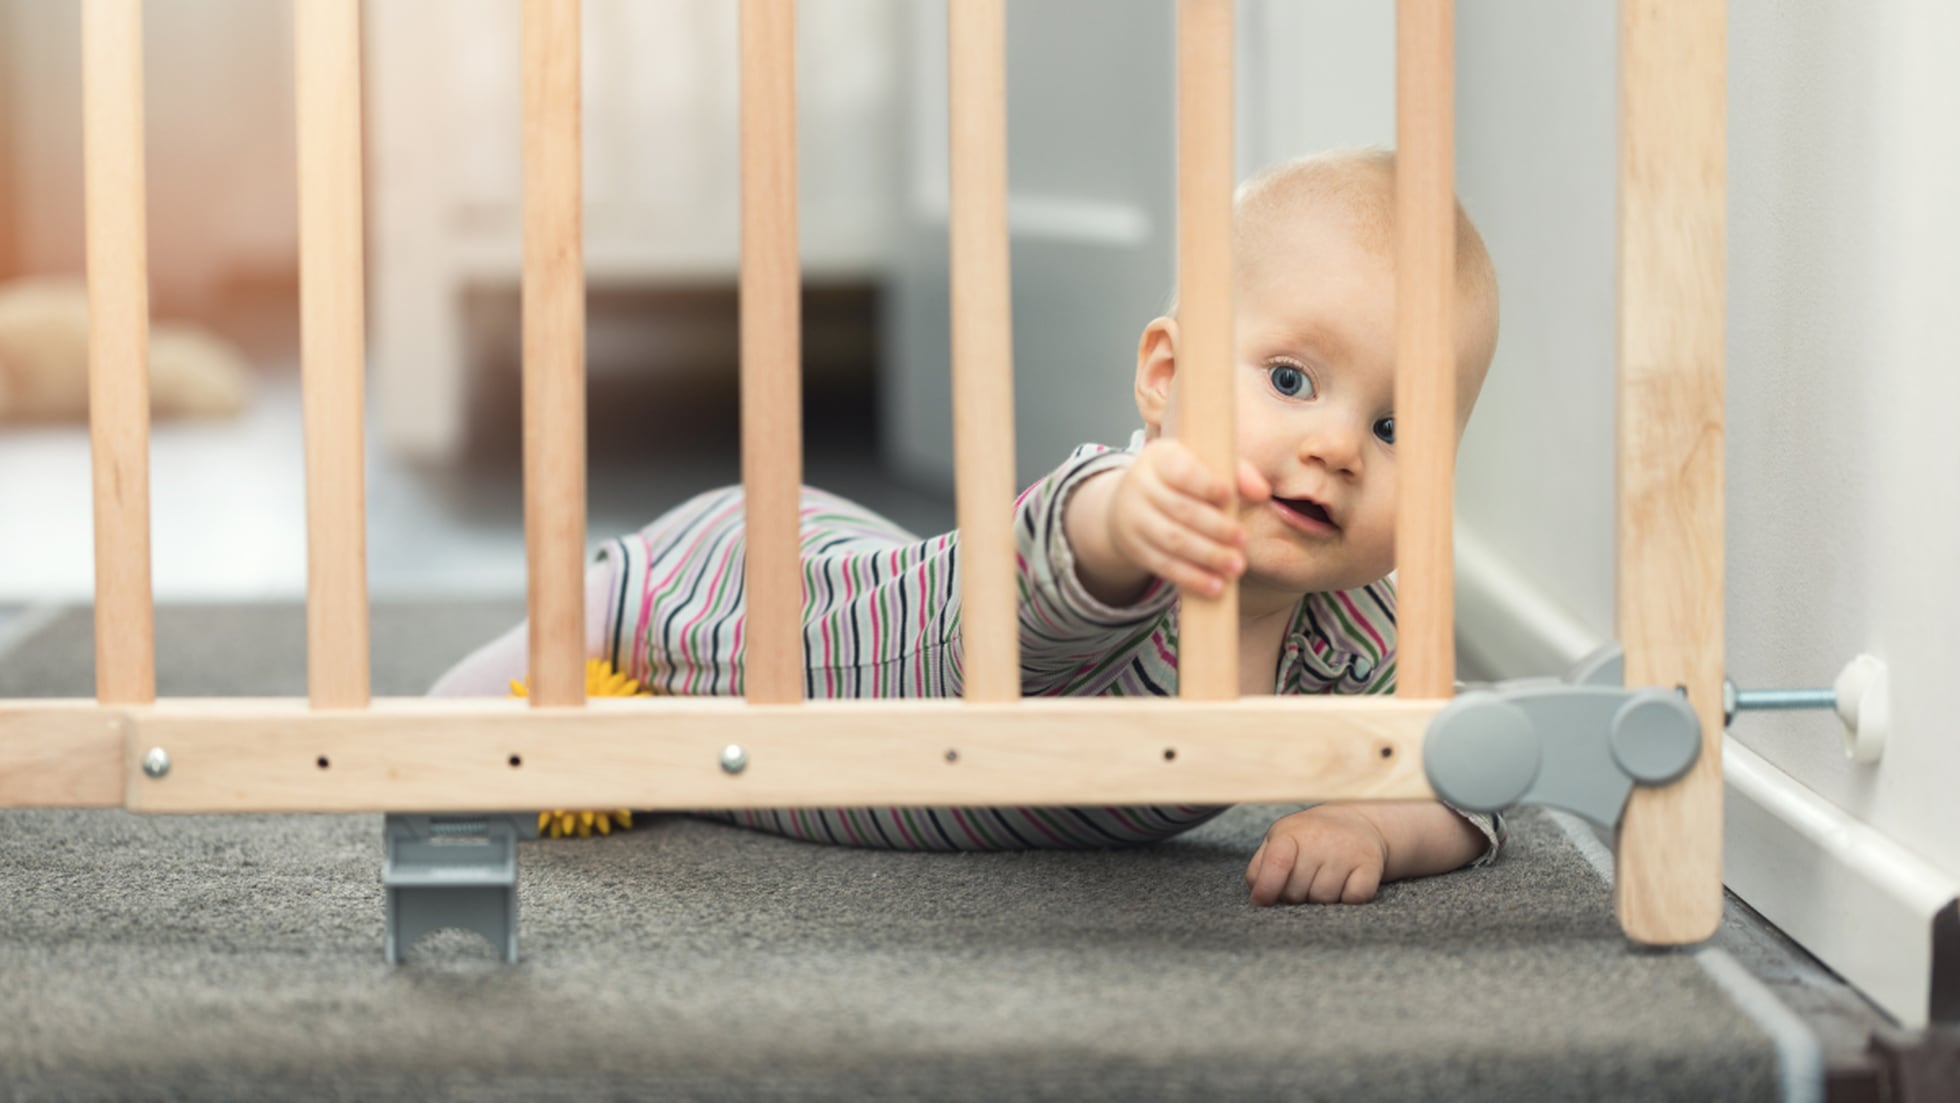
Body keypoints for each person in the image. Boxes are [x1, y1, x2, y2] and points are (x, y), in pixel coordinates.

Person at [431, 147, 1505, 907]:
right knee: (490, 715)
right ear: (1164, 378)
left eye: (1395, 422)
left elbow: (1463, 780)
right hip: (754, 590)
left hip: (844, 683)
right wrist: (1127, 521)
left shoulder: (1352, 630)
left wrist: (1371, 825)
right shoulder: (1121, 514)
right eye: (1289, 378)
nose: (1337, 447)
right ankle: (426, 726)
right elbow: (1043, 587)